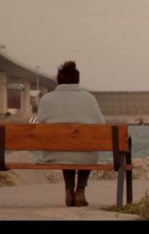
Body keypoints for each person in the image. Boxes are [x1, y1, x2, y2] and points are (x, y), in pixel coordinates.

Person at [37, 60, 104, 207]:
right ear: (77, 79)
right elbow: (101, 126)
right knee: (85, 150)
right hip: (85, 153)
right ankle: (80, 190)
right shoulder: (89, 98)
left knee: (64, 150)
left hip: (55, 154)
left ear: (58, 80)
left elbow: (40, 124)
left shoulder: (46, 99)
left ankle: (68, 190)